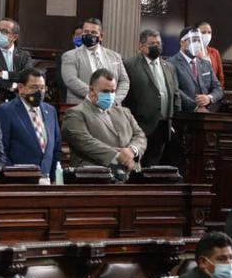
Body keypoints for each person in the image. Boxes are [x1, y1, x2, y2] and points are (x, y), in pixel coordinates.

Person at [62, 68, 146, 180]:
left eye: (113, 91)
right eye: (105, 91)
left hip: (131, 177)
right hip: (95, 179)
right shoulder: (75, 114)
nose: (110, 95)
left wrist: (132, 150)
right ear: (92, 90)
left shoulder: (124, 112)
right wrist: (120, 157)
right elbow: (86, 143)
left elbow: (140, 136)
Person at [123, 29, 180, 167]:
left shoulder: (169, 66)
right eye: (152, 44)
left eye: (158, 43)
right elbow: (126, 96)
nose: (156, 46)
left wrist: (174, 118)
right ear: (141, 46)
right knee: (139, 165)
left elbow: (175, 93)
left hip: (164, 125)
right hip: (141, 124)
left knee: (156, 165)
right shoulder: (129, 65)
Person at [0, 67, 61, 183]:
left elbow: (56, 148)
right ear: (21, 88)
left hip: (47, 181)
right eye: (34, 87)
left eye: (42, 88)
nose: (39, 92)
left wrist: (54, 178)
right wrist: (14, 176)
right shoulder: (6, 111)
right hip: (18, 183)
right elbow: (1, 151)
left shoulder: (50, 111)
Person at [60, 18, 130, 105]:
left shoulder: (115, 56)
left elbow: (124, 81)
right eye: (86, 32)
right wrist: (96, 95)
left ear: (101, 36)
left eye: (93, 32)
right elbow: (71, 80)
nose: (89, 35)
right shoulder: (70, 56)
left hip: (111, 107)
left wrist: (114, 100)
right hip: (82, 106)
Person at [167, 27, 223, 112]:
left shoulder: (206, 64)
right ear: (182, 42)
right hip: (184, 114)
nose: (197, 44)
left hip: (207, 113)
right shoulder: (171, 63)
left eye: (199, 41)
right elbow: (174, 89)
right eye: (193, 40)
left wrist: (209, 98)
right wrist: (195, 107)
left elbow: (218, 89)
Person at [0, 18, 34, 101]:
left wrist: (5, 74)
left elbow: (27, 75)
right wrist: (14, 85)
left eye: (4, 31)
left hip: (20, 99)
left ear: (15, 37)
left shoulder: (24, 55)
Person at [196, 21, 224, 87]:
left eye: (209, 32)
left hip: (213, 90)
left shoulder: (215, 52)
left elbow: (220, 76)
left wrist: (218, 90)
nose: (207, 35)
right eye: (203, 32)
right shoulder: (191, 52)